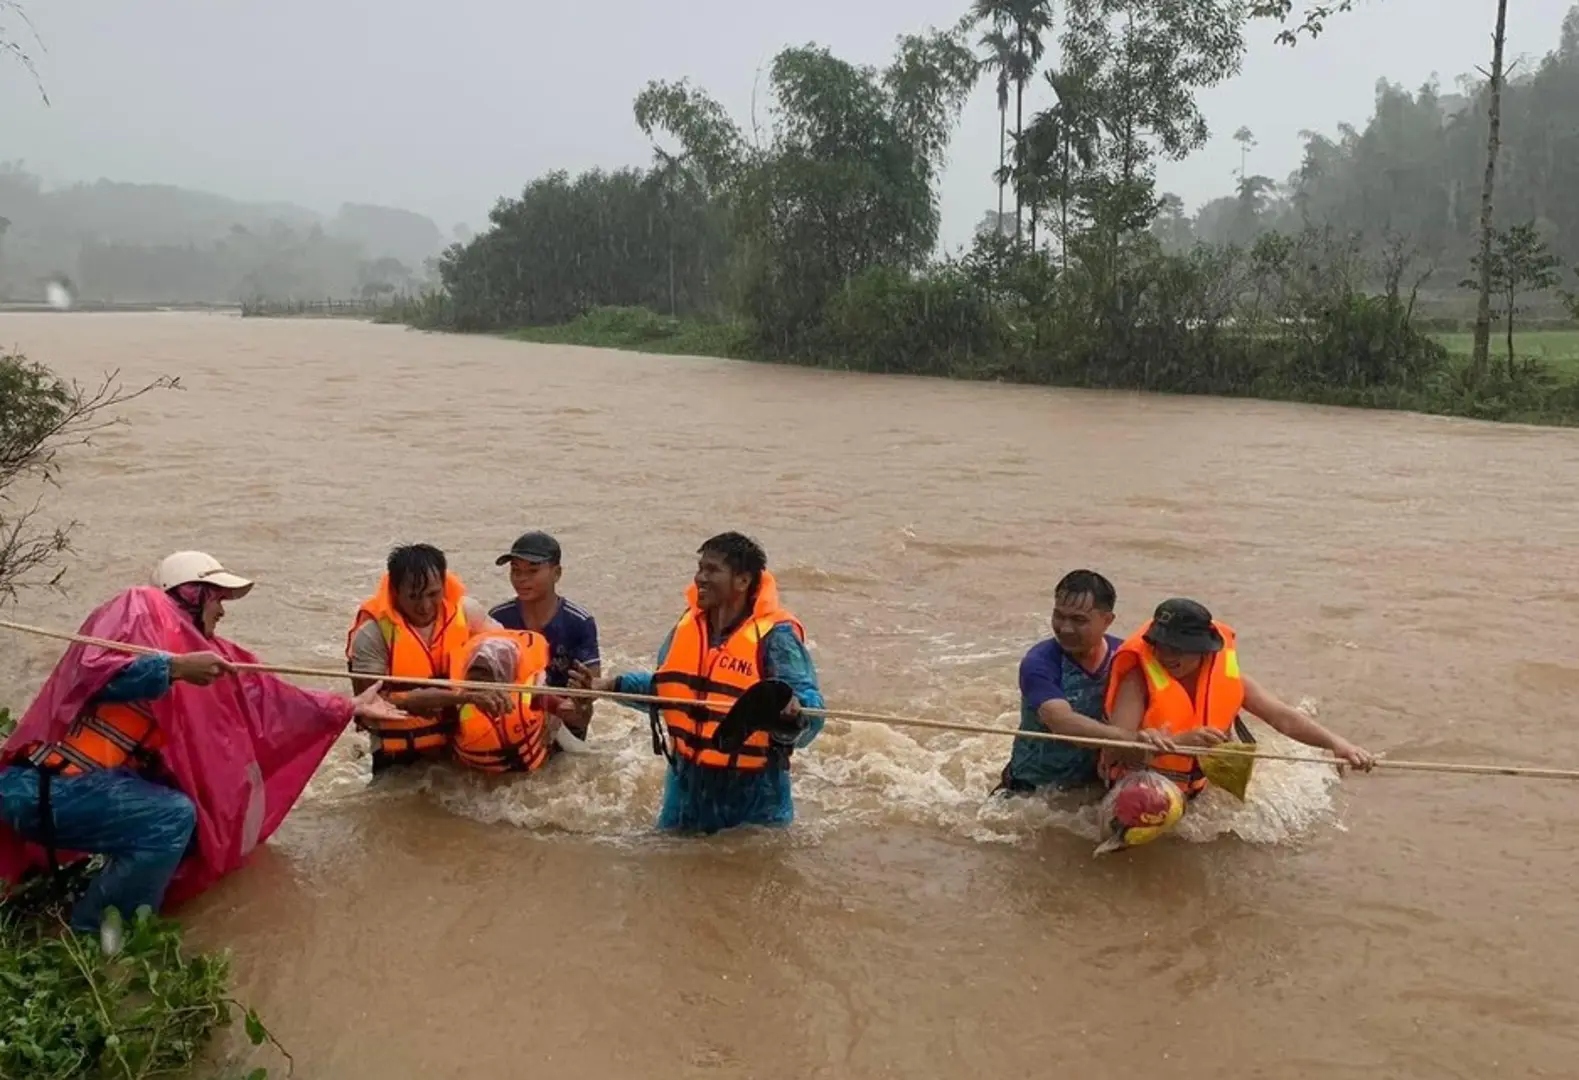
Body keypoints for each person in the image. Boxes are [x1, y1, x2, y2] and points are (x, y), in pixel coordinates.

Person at [0, 551, 408, 934]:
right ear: (191, 594)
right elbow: (97, 673)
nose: (223, 609)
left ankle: (103, 905)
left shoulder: (202, 653)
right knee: (172, 816)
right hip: (46, 787)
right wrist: (173, 668)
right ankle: (96, 936)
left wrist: (348, 707)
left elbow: (269, 700)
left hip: (72, 791)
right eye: (218, 597)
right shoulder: (139, 606)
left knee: (197, 814)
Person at [575, 532, 823, 834]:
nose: (700, 578)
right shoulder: (686, 627)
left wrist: (793, 714)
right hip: (684, 795)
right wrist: (607, 686)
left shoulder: (776, 637)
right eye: (700, 568)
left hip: (755, 800)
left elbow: (811, 712)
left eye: (713, 570)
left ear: (743, 581)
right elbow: (667, 689)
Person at [1102, 597, 1376, 799]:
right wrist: (1177, 743)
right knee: (1146, 810)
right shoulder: (1137, 681)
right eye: (1160, 647)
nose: (1167, 657)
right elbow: (1115, 747)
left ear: (1204, 651)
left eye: (1178, 649)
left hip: (1196, 788)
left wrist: (1338, 743)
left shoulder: (1229, 680)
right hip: (1142, 786)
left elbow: (1283, 718)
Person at [994, 570, 1174, 795]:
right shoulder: (1040, 662)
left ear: (1107, 620)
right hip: (1031, 793)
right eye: (1059, 616)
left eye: (1078, 620)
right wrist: (1130, 739)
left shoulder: (1126, 658)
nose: (1065, 628)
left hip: (1094, 790)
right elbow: (1061, 721)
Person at [346, 543, 506, 772]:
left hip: (460, 744)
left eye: (433, 594)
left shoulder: (468, 613)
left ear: (443, 584)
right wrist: (458, 697)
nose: (425, 606)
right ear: (395, 591)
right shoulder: (372, 634)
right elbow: (371, 704)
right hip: (397, 755)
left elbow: (508, 652)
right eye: (414, 597)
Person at [487, 531, 600, 740]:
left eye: (532, 570)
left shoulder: (578, 622)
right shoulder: (498, 618)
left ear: (556, 573)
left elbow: (591, 685)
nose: (521, 579)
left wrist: (576, 701)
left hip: (565, 716)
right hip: (516, 712)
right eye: (515, 570)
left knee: (580, 712)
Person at [447, 629, 566, 774]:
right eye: (474, 674)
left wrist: (578, 708)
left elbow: (569, 711)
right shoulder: (455, 703)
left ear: (508, 678)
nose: (478, 682)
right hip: (477, 779)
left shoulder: (533, 695)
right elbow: (419, 706)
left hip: (534, 775)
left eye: (487, 675)